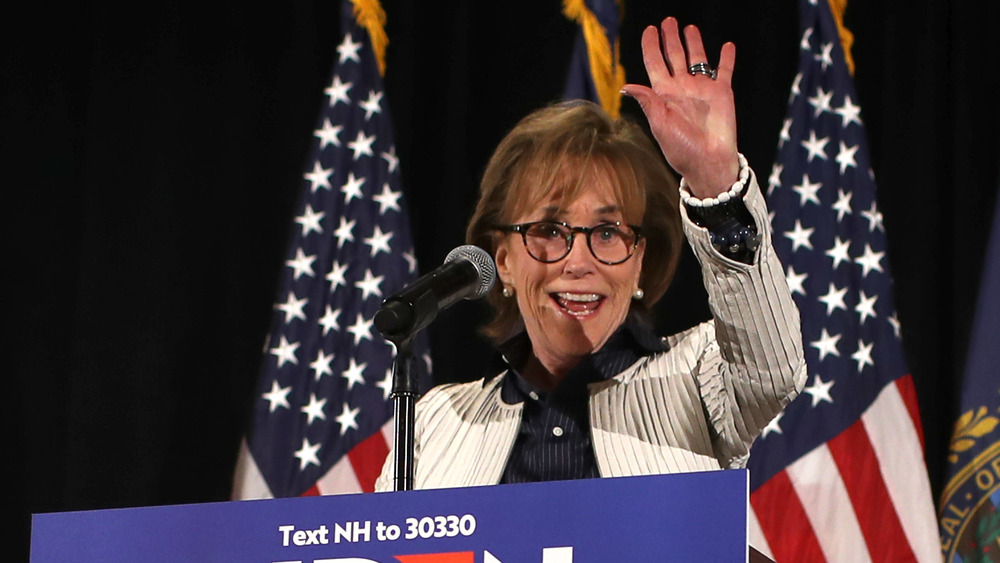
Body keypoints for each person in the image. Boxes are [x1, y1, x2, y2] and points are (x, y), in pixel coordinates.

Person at [375, 17, 806, 491]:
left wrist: (716, 185)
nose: (579, 262)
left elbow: (773, 371)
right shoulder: (436, 424)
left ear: (640, 260)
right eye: (549, 230)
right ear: (503, 261)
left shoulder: (699, 374)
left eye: (606, 233)